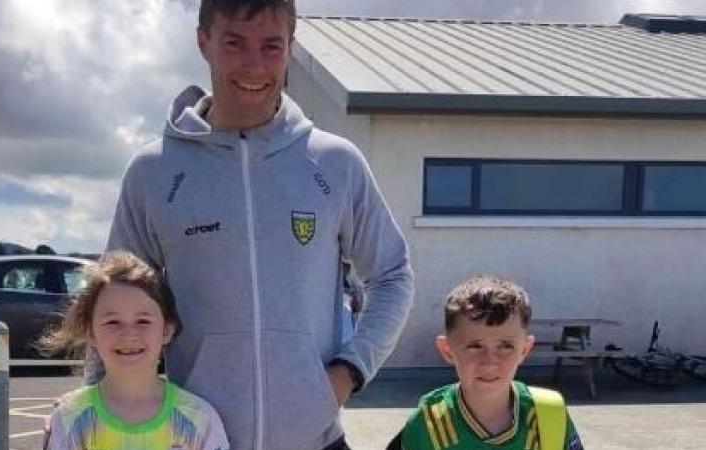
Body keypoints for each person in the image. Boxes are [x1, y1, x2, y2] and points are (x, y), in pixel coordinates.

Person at [92, 1, 415, 449]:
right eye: (235, 43)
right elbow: (109, 300)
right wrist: (90, 412)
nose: (254, 65)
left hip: (315, 439)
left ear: (291, 48)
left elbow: (393, 276)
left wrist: (349, 372)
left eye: (271, 46)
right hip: (195, 440)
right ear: (203, 40)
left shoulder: (336, 163)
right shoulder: (153, 172)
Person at [42, 251, 230, 450]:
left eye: (143, 321)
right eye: (113, 321)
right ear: (90, 332)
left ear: (166, 330)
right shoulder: (70, 419)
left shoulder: (199, 418)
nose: (129, 334)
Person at [388, 276, 583, 450]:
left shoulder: (548, 414)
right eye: (474, 346)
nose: (489, 363)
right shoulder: (428, 424)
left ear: (525, 349)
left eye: (505, 346)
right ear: (447, 350)